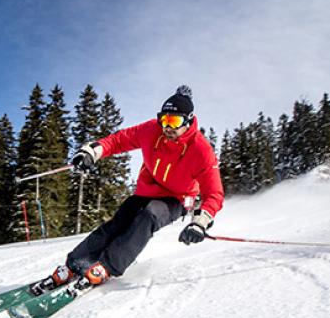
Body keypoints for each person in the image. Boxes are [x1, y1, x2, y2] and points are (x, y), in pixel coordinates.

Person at [44, 85, 224, 291]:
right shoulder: (152, 130)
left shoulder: (201, 150)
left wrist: (200, 222)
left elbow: (214, 193)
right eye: (164, 119)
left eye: (174, 121)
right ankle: (76, 263)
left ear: (189, 120)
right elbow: (118, 140)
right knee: (120, 221)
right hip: (147, 190)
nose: (167, 126)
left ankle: (108, 266)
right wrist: (91, 152)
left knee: (149, 216)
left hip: (177, 198)